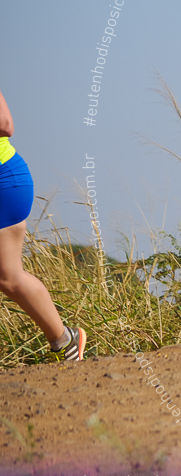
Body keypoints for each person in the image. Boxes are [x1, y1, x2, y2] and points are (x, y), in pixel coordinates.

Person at [0, 87, 87, 361]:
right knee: (8, 278)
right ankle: (65, 340)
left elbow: (5, 124)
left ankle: (65, 340)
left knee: (8, 277)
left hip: (4, 181)